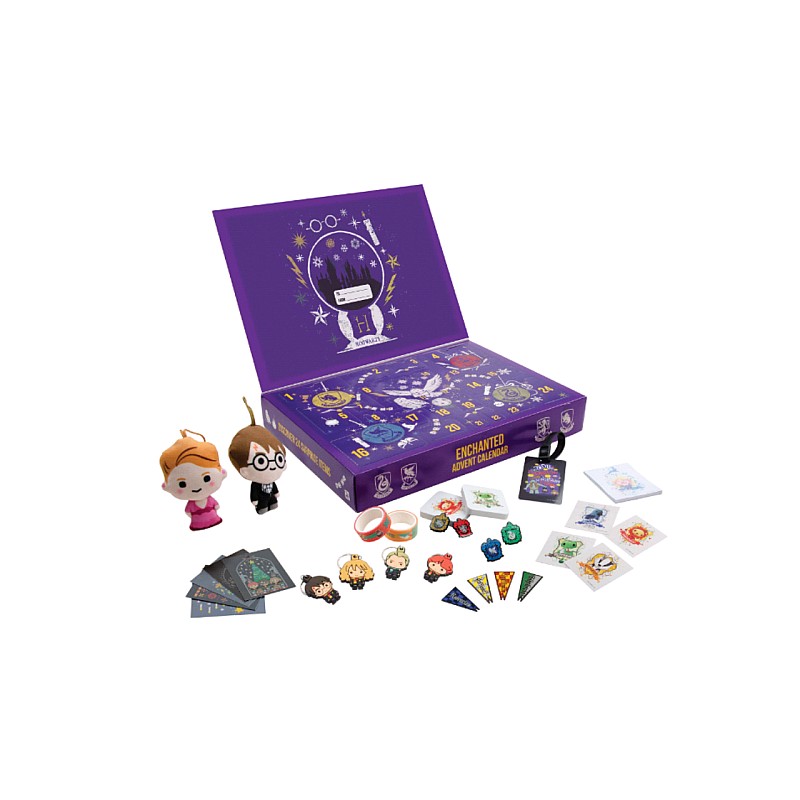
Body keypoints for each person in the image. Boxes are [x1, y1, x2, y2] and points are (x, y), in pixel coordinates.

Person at [229, 398, 287, 514]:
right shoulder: (256, 483)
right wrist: (254, 500)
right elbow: (254, 492)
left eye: (279, 459)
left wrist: (276, 493)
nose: (272, 466)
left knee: (273, 501)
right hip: (262, 497)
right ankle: (262, 508)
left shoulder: (271, 480)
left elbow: (273, 486)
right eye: (261, 461)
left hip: (270, 495)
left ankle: (273, 503)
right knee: (262, 504)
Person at [160, 430, 227, 530]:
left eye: (206, 478)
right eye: (182, 484)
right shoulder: (200, 502)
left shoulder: (201, 502)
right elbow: (216, 506)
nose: (196, 487)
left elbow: (188, 513)